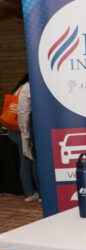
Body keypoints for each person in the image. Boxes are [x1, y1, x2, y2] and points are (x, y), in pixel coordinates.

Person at [5, 74, 39, 202]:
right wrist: (26, 135)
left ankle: (29, 193)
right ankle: (41, 194)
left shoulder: (19, 88)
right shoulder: (28, 88)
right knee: (34, 161)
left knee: (25, 161)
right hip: (22, 130)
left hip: (13, 130)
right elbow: (23, 114)